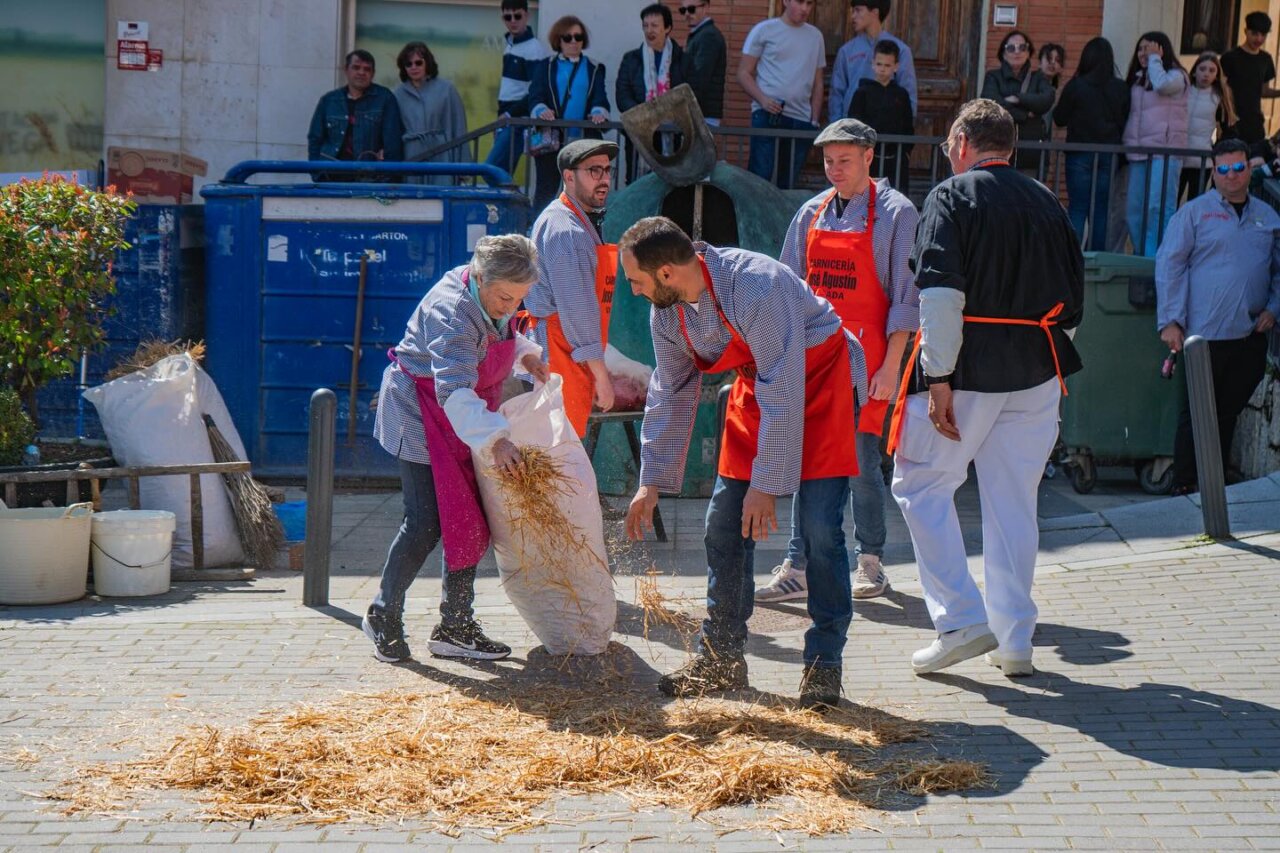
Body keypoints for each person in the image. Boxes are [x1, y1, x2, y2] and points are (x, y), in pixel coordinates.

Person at [622, 216, 868, 709]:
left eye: (636, 281)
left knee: (820, 527)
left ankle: (824, 665)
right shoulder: (667, 313)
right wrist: (650, 480)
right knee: (721, 526)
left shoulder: (758, 284)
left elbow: (786, 383)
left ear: (666, 273)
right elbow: (669, 391)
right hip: (761, 389)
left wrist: (767, 483)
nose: (634, 290)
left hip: (823, 383)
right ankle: (720, 658)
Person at [888, 99, 1083, 678]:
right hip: (1037, 370)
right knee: (1013, 503)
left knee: (921, 484)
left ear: (959, 142)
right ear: (1011, 147)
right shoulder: (1048, 202)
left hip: (968, 370)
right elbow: (1074, 302)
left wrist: (940, 376)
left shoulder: (952, 195)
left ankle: (959, 620)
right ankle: (1014, 640)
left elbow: (941, 294)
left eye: (951, 146)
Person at [365, 235, 550, 664]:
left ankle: (455, 627)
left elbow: (501, 332)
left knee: (470, 515)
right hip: (422, 409)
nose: (511, 306)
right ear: (480, 277)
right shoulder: (452, 311)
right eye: (505, 297)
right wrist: (497, 439)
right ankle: (382, 614)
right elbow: (453, 391)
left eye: (518, 299)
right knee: (425, 520)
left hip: (466, 413)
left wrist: (525, 355)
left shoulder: (492, 295)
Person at [758, 118, 919, 607]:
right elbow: (784, 286)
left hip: (869, 362)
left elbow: (907, 298)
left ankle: (870, 561)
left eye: (844, 160)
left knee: (861, 464)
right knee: (807, 461)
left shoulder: (896, 212)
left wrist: (892, 365)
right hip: (814, 360)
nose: (834, 170)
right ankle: (797, 565)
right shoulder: (811, 212)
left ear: (870, 157)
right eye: (828, 161)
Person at [1155, 138, 1280, 496]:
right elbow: (1170, 265)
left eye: (1238, 168)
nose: (1231, 176)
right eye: (1223, 169)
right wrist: (1170, 321)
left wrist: (1273, 307)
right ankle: (1184, 483)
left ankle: (1215, 484)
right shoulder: (1194, 214)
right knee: (1195, 412)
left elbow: (1278, 271)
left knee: (1228, 413)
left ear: (1250, 169)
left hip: (1248, 334)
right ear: (1214, 171)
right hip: (1201, 336)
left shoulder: (1268, 218)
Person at [527, 138, 619, 439]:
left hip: (568, 351)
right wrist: (602, 376)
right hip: (561, 354)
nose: (604, 179)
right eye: (594, 171)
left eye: (607, 170)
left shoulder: (568, 219)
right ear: (569, 176)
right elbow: (578, 311)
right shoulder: (567, 231)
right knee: (559, 454)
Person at [738, 0, 826, 189]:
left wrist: (814, 120)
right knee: (759, 180)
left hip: (801, 120)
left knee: (788, 184)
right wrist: (763, 100)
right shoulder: (764, 30)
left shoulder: (816, 36)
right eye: (800, 2)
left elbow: (819, 82)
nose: (804, 9)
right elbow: (743, 73)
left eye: (809, 4)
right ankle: (756, 219)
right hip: (768, 116)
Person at [528, 16, 611, 214]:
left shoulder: (594, 67)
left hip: (583, 141)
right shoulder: (546, 66)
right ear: (559, 39)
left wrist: (598, 113)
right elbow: (535, 95)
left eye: (578, 37)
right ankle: (539, 235)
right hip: (553, 140)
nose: (574, 41)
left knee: (586, 193)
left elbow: (600, 98)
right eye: (568, 37)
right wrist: (541, 110)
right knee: (546, 190)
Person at [1054, 36, 1129, 250]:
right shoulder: (1120, 88)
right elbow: (1125, 119)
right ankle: (1097, 257)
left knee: (1078, 207)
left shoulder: (1076, 86)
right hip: (1108, 153)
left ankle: (1072, 257)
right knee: (1101, 209)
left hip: (1079, 152)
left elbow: (1060, 118)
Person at [1122, 31, 1190, 257]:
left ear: (1162, 51)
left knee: (1158, 208)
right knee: (1133, 211)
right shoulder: (1138, 78)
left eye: (1150, 48)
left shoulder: (1176, 76)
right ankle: (1143, 256)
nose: (1144, 53)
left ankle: (1157, 261)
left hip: (1165, 151)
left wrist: (1154, 60)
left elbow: (1161, 85)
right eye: (1141, 48)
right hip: (1138, 152)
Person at [616, 4, 689, 179]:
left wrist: (668, 116)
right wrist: (645, 115)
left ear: (667, 28)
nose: (649, 30)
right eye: (646, 25)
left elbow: (688, 94)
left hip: (672, 132)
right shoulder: (631, 59)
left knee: (671, 183)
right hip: (639, 133)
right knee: (636, 183)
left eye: (655, 25)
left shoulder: (682, 59)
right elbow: (622, 94)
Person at [307, 50, 403, 180]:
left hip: (369, 179)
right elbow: (315, 139)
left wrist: (386, 180)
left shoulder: (385, 99)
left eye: (367, 69)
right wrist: (317, 174)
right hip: (330, 177)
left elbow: (393, 144)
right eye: (356, 67)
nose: (361, 73)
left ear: (373, 74)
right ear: (346, 70)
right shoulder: (329, 101)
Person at [485, 0, 553, 179]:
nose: (513, 21)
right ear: (503, 18)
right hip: (508, 118)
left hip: (517, 120)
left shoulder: (535, 49)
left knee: (491, 171)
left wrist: (509, 115)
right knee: (500, 173)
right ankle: (508, 204)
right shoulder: (510, 45)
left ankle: (512, 204)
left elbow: (536, 91)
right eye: (508, 17)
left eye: (517, 16)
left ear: (527, 16)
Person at [393, 42, 469, 186]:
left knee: (441, 200)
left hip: (441, 153)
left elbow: (459, 128)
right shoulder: (397, 93)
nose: (414, 67)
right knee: (412, 201)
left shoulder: (447, 89)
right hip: (411, 154)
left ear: (427, 62)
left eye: (418, 62)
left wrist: (463, 167)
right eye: (408, 64)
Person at [980, 31, 1055, 174]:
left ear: (1028, 52)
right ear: (1003, 53)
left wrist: (1019, 98)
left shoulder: (1038, 78)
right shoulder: (993, 77)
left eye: (1022, 47)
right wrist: (1025, 114)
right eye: (1011, 48)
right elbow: (991, 106)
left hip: (1029, 154)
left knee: (1027, 195)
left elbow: (1046, 100)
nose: (1017, 52)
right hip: (998, 151)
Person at [829, 1, 918, 120]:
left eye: (858, 10)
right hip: (853, 125)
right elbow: (837, 93)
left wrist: (905, 130)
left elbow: (908, 93)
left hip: (888, 126)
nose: (852, 16)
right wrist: (836, 127)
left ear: (875, 12)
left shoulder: (901, 50)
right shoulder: (846, 51)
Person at [847, 39, 915, 192]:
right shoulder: (862, 93)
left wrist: (905, 153)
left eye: (887, 65)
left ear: (896, 67)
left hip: (895, 160)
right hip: (869, 159)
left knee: (896, 199)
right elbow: (854, 124)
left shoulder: (901, 95)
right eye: (879, 64)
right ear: (872, 64)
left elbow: (908, 125)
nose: (882, 69)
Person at [1180, 52, 1238, 202]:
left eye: (1212, 71)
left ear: (1217, 75)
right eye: (1202, 69)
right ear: (1194, 71)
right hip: (1177, 156)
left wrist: (1217, 153)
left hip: (1202, 159)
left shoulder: (1218, 97)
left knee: (1195, 203)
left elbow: (1227, 129)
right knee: (1171, 200)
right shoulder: (1183, 91)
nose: (1206, 74)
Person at [1219, 11, 1278, 146]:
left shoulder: (1266, 59)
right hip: (1232, 122)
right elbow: (1222, 89)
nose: (1259, 39)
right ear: (1246, 31)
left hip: (1255, 123)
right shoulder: (1230, 58)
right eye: (1255, 34)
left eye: (1263, 35)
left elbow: (1264, 91)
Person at [680, 0, 727, 125]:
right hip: (699, 113)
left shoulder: (708, 36)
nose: (687, 14)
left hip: (701, 114)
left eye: (691, 9)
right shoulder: (701, 34)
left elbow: (699, 78)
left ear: (705, 7)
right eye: (683, 10)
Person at [1037, 43, 1065, 135]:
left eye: (1057, 60)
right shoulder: (1030, 83)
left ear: (1061, 67)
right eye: (1049, 58)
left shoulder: (1054, 89)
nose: (1052, 62)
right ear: (1040, 63)